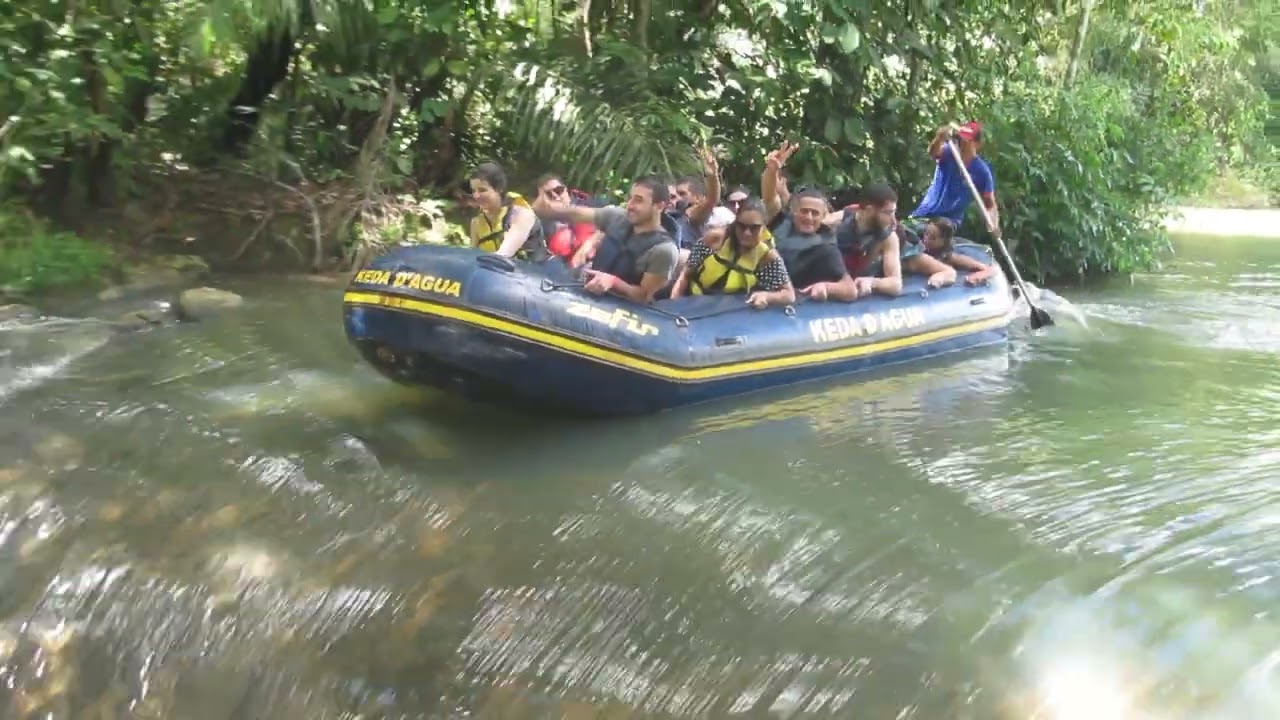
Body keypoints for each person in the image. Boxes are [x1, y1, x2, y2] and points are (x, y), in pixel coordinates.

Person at [532, 175, 679, 304]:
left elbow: (643, 296)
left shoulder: (664, 251)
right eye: (630, 199)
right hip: (587, 292)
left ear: (659, 206)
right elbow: (576, 214)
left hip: (621, 310)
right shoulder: (617, 217)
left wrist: (614, 283)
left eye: (638, 201)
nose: (630, 206)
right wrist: (545, 209)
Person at [670, 197, 795, 309]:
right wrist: (674, 303)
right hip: (696, 304)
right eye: (742, 226)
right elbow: (685, 274)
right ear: (735, 223)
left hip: (734, 313)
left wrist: (767, 297)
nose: (747, 233)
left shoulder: (767, 257)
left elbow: (789, 295)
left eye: (754, 228)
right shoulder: (714, 239)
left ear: (763, 228)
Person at [759, 140, 850, 293]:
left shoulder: (827, 245)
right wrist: (771, 170)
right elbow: (769, 197)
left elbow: (849, 289)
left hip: (801, 300)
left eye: (815, 213)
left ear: (823, 217)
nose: (808, 217)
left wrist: (825, 287)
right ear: (794, 211)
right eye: (804, 211)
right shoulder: (780, 222)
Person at [909, 121, 1001, 238]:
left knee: (933, 233)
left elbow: (989, 204)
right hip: (926, 211)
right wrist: (939, 138)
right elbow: (933, 153)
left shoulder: (982, 171)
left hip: (949, 220)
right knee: (906, 232)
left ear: (977, 144)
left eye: (967, 140)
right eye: (961, 138)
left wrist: (993, 224)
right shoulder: (948, 151)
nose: (963, 143)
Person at [468, 162, 549, 261]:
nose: (476, 196)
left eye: (482, 190)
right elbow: (472, 259)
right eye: (473, 191)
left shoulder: (522, 215)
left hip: (531, 273)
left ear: (499, 189)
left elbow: (504, 254)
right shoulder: (476, 223)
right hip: (493, 273)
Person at [915, 217, 995, 285]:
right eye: (926, 234)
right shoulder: (918, 246)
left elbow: (988, 269)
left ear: (944, 242)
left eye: (933, 238)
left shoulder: (948, 256)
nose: (926, 239)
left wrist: (978, 276)